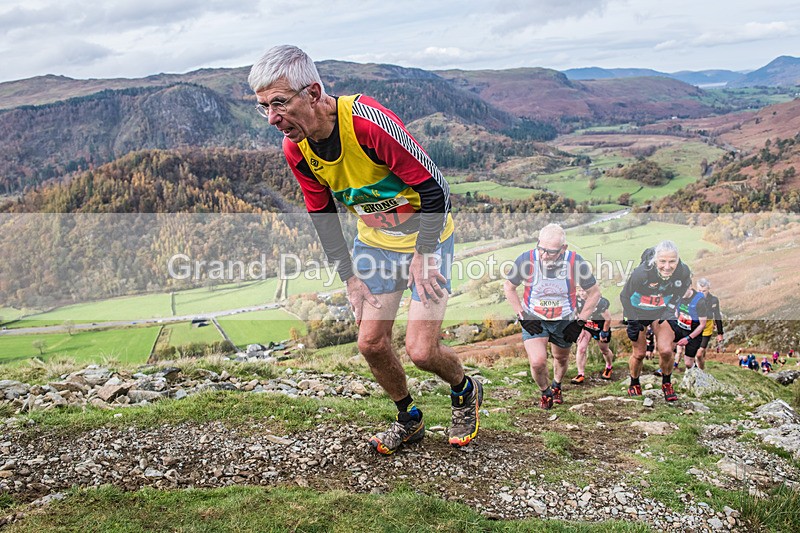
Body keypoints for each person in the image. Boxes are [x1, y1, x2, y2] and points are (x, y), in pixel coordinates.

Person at [248, 45, 482, 454]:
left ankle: (465, 390)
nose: (272, 118)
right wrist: (350, 279)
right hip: (375, 244)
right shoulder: (296, 147)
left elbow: (435, 189)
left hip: (428, 237)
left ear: (314, 93)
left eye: (280, 103)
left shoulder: (366, 125)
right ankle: (409, 418)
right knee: (370, 343)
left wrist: (424, 255)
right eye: (264, 107)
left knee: (422, 351)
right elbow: (322, 215)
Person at [504, 224, 601, 409]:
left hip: (564, 319)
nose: (544, 255)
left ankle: (557, 385)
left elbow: (594, 293)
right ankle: (545, 391)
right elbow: (508, 287)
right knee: (538, 362)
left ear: (563, 249)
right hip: (535, 318)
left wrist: (580, 321)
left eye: (551, 252)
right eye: (541, 249)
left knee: (561, 358)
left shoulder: (575, 262)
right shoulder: (527, 260)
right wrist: (522, 315)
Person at [620, 240, 692, 402]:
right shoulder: (642, 273)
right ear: (655, 261)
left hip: (660, 312)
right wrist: (632, 320)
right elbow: (624, 296)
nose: (667, 266)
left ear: (678, 260)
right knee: (639, 353)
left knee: (666, 350)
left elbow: (681, 290)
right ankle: (634, 382)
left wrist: (670, 308)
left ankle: (666, 383)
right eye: (663, 261)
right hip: (638, 312)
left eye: (672, 261)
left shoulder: (683, 272)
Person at [571, 287, 614, 384]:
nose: (581, 293)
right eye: (580, 290)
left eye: (584, 290)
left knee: (604, 350)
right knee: (581, 348)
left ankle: (609, 366)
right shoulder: (577, 300)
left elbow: (608, 318)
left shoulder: (599, 302)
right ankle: (580, 374)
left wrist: (604, 332)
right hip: (586, 327)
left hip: (600, 327)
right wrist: (580, 329)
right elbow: (578, 315)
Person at [670, 286, 709, 370]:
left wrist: (688, 338)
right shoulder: (678, 297)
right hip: (680, 328)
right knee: (667, 349)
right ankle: (665, 371)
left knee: (688, 363)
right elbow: (676, 313)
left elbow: (702, 325)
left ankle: (698, 375)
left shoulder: (700, 302)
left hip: (693, 333)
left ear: (689, 287)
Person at [695, 278, 724, 369]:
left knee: (700, 353)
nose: (701, 293)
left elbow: (717, 316)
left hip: (707, 327)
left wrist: (720, 333)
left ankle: (701, 371)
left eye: (704, 291)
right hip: (695, 326)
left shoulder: (714, 300)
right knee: (696, 352)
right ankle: (697, 369)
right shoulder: (693, 298)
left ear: (708, 289)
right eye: (699, 291)